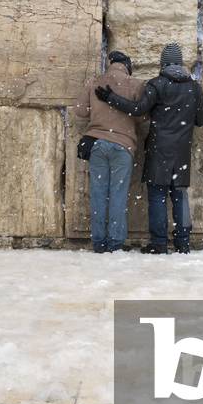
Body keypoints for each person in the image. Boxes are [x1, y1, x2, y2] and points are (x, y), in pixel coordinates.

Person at [96, 42, 203, 254]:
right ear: (181, 63)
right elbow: (201, 120)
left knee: (157, 196)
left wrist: (111, 98)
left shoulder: (156, 84)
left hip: (159, 149)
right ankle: (183, 242)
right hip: (182, 152)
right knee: (180, 195)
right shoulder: (194, 88)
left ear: (162, 64)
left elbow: (138, 109)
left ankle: (159, 243)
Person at [73, 51, 146, 253]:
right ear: (127, 65)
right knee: (118, 195)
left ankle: (98, 241)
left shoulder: (95, 81)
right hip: (123, 145)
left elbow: (79, 110)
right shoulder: (135, 84)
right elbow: (142, 115)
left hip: (98, 143)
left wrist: (97, 114)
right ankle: (115, 242)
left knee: (98, 193)